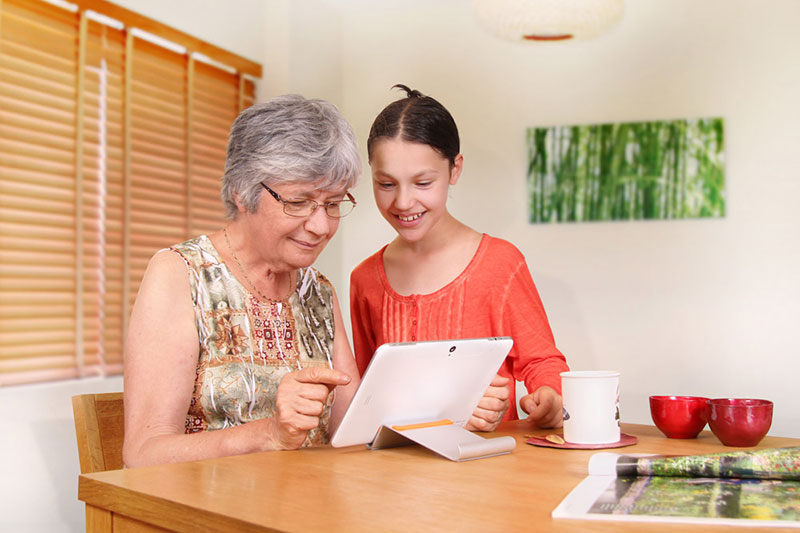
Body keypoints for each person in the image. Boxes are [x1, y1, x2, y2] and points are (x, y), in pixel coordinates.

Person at [123, 95, 362, 467]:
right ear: (242, 192)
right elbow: (143, 455)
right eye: (298, 202)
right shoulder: (181, 274)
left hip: (306, 508)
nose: (321, 226)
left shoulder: (318, 291)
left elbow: (354, 433)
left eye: (332, 204)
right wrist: (269, 434)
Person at [350, 85, 569, 432]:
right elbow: (366, 395)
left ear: (454, 171)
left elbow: (543, 362)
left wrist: (550, 398)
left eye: (423, 183)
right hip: (395, 476)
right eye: (387, 184)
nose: (404, 202)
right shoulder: (364, 280)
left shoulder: (500, 264)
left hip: (488, 475)